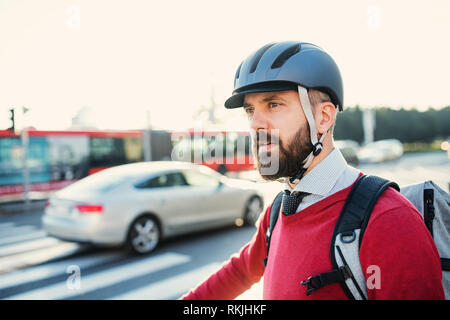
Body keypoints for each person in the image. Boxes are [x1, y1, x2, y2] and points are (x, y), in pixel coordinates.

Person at [180, 41, 444, 300]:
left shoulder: (388, 219)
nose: (255, 124)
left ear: (323, 118)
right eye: (250, 110)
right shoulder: (278, 210)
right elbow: (238, 272)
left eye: (273, 104)